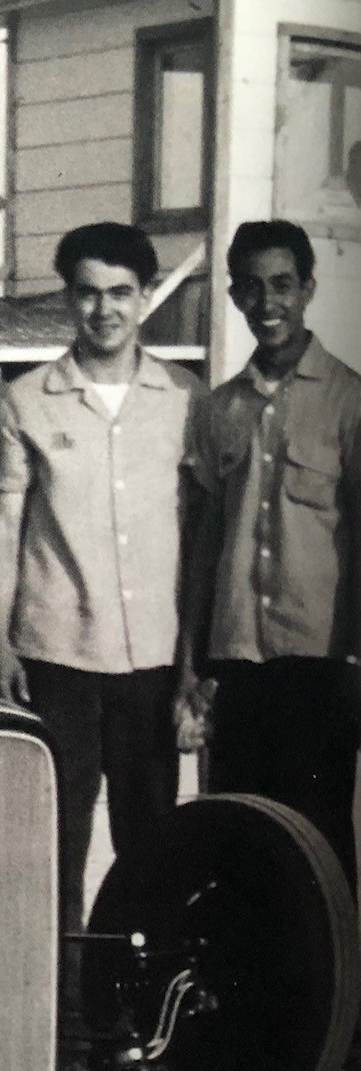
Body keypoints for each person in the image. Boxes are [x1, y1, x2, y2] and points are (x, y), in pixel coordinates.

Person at [0, 221, 207, 1001]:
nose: (104, 309)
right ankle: (59, 1017)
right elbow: (3, 524)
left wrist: (190, 667)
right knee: (58, 842)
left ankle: (138, 1009)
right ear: (69, 299)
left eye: (120, 293)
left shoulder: (184, 400)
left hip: (149, 660)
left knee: (150, 845)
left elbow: (197, 533)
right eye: (87, 293)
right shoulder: (24, 402)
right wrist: (4, 642)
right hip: (58, 658)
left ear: (145, 299)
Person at [176, 220, 359, 891]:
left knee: (321, 846)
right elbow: (204, 544)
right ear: (233, 294)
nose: (268, 301)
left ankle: (331, 996)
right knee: (239, 841)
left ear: (308, 288)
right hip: (236, 665)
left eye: (282, 284)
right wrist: (191, 666)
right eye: (251, 287)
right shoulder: (218, 407)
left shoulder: (350, 401)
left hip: (320, 667)